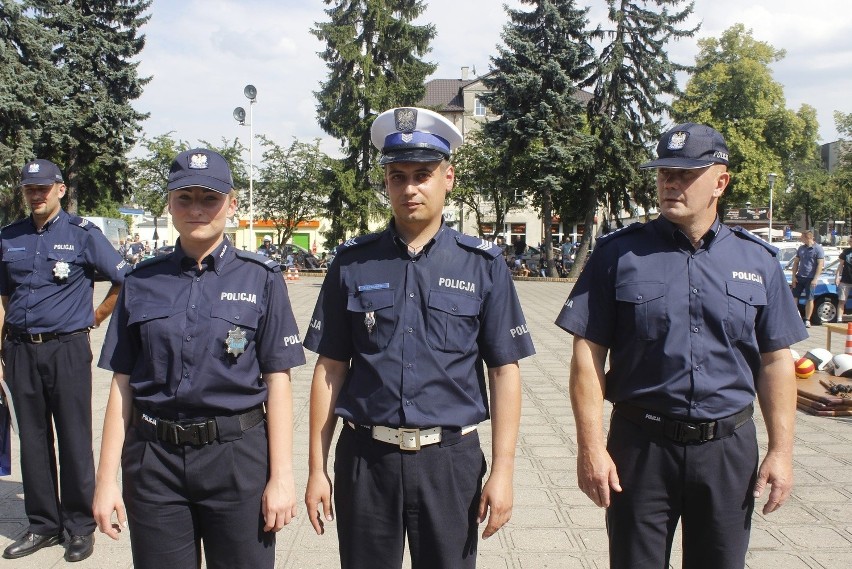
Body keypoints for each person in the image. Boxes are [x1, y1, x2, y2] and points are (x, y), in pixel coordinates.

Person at [555, 123, 808, 569]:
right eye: (664, 172)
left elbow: (776, 362)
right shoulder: (619, 255)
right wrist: (591, 449)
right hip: (640, 448)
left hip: (727, 451)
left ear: (721, 182)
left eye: (686, 173)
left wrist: (781, 453)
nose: (671, 182)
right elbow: (587, 354)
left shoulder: (757, 261)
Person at [303, 107, 536, 569]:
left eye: (423, 175)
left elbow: (504, 371)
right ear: (386, 182)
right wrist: (316, 469)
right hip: (367, 461)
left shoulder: (482, 265)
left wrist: (504, 472)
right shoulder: (352, 264)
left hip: (449, 463)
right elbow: (329, 369)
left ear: (448, 177)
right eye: (397, 175)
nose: (409, 188)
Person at [92, 148, 306, 569]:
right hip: (154, 464)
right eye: (184, 198)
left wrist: (281, 477)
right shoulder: (141, 281)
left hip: (236, 460)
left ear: (232, 203)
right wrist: (104, 482)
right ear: (169, 203)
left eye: (209, 198)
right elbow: (122, 383)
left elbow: (278, 379)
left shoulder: (260, 278)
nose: (197, 209)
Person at [0, 159, 128, 562]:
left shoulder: (83, 235)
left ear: (60, 190)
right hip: (19, 349)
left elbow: (123, 278)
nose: (36, 194)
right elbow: (3, 298)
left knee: (74, 437)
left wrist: (96, 316)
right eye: (29, 188)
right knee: (32, 439)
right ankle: (42, 524)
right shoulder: (9, 238)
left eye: (43, 187)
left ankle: (78, 525)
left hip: (67, 348)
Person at [790, 229, 824, 327]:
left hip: (810, 278)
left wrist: (815, 278)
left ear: (807, 237)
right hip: (800, 277)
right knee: (794, 297)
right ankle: (795, 317)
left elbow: (820, 264)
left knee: (810, 298)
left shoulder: (818, 249)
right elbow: (796, 262)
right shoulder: (801, 248)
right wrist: (793, 276)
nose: (800, 239)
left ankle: (807, 319)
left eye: (802, 237)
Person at [836, 244, 852, 322]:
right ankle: (839, 319)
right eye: (850, 241)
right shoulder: (846, 252)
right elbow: (840, 265)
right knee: (842, 300)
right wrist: (837, 277)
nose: (850, 243)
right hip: (845, 280)